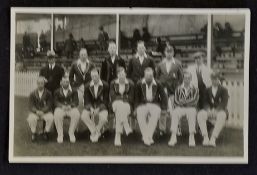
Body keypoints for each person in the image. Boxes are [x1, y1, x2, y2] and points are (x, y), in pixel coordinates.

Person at [135, 67, 168, 146]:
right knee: (140, 115)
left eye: (151, 75)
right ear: (144, 75)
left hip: (154, 104)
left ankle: (147, 136)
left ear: (153, 76)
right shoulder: (139, 83)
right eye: (147, 75)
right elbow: (136, 97)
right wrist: (136, 108)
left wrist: (164, 108)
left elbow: (164, 97)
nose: (149, 77)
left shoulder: (158, 83)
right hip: (143, 104)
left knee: (155, 115)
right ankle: (148, 137)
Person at [156, 45, 183, 133]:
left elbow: (181, 77)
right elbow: (157, 77)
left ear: (173, 53)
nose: (169, 54)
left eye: (171, 52)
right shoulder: (160, 64)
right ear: (164, 52)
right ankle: (162, 129)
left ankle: (177, 127)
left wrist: (177, 87)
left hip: (173, 89)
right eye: (167, 52)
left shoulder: (178, 63)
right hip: (163, 89)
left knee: (175, 109)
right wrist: (160, 87)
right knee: (163, 109)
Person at [197, 72, 229, 147]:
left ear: (219, 80)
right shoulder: (207, 89)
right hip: (209, 110)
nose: (214, 81)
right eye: (213, 79)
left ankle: (213, 138)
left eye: (216, 79)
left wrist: (216, 110)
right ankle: (205, 137)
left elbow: (224, 102)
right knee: (200, 114)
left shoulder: (224, 90)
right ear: (211, 80)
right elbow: (204, 101)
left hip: (220, 111)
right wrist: (208, 109)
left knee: (222, 116)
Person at [169, 72, 199, 147]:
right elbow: (176, 101)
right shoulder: (178, 88)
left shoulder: (195, 89)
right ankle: (173, 136)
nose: (186, 80)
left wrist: (184, 102)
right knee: (175, 113)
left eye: (188, 78)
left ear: (191, 79)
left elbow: (195, 101)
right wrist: (184, 103)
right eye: (185, 78)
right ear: (183, 79)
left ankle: (191, 137)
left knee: (192, 113)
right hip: (180, 108)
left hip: (190, 108)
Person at [81, 69, 109, 143]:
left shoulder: (105, 85)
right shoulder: (87, 85)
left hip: (101, 106)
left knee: (103, 118)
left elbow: (106, 100)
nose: (94, 78)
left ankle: (97, 130)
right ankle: (93, 131)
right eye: (92, 76)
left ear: (99, 76)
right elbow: (86, 99)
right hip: (91, 106)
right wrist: (91, 108)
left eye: (96, 76)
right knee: (83, 116)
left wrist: (99, 109)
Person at [109, 67, 134, 146]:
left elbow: (131, 97)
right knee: (119, 106)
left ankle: (117, 136)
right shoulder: (113, 83)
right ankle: (126, 125)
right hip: (115, 103)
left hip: (127, 104)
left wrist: (122, 99)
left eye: (123, 74)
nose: (122, 76)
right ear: (117, 75)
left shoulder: (130, 83)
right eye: (120, 74)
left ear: (126, 75)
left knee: (120, 109)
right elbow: (113, 96)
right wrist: (122, 99)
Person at [53, 76, 80, 143]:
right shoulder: (57, 91)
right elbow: (55, 102)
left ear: (69, 82)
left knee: (76, 114)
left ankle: (71, 133)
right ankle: (60, 135)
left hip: (70, 108)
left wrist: (70, 106)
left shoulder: (74, 91)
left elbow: (76, 101)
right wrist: (62, 106)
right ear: (61, 83)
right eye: (64, 82)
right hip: (61, 108)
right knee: (57, 115)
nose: (66, 83)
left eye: (67, 82)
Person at [27, 76, 54, 142]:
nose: (40, 85)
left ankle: (45, 132)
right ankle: (34, 133)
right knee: (31, 118)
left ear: (44, 84)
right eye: (38, 83)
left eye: (42, 83)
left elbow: (49, 104)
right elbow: (31, 105)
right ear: (37, 84)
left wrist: (43, 111)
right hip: (35, 112)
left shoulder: (48, 93)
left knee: (50, 117)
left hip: (45, 112)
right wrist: (36, 111)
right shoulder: (32, 93)